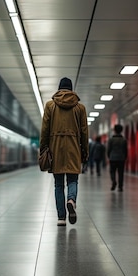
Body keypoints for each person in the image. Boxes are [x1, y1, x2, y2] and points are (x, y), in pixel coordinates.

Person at [40, 77, 89, 226]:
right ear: (71, 89)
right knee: (73, 180)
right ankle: (71, 200)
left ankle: (61, 218)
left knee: (58, 184)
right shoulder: (80, 108)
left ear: (59, 88)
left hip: (56, 149)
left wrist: (43, 148)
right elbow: (84, 132)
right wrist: (84, 151)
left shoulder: (50, 105)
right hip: (74, 148)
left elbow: (45, 130)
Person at [107, 124, 128, 191]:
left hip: (112, 158)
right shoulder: (124, 140)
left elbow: (108, 149)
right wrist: (125, 157)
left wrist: (109, 156)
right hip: (121, 158)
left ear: (114, 130)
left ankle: (114, 181)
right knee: (121, 173)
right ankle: (120, 186)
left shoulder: (111, 140)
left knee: (112, 171)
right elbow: (125, 150)